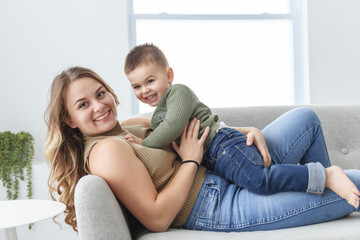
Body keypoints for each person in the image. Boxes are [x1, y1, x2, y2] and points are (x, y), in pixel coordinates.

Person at [45, 66, 360, 233]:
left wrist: (248, 130)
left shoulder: (131, 126)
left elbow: (195, 130)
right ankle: (325, 185)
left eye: (101, 94)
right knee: (356, 181)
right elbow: (156, 218)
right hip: (217, 205)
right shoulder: (106, 151)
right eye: (83, 105)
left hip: (231, 170)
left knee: (306, 119)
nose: (99, 106)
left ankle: (322, 198)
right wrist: (190, 162)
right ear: (69, 120)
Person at [123, 43, 360, 205]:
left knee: (260, 180)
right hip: (220, 154)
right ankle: (332, 195)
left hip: (222, 145)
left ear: (169, 75)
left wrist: (144, 143)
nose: (144, 90)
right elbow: (153, 124)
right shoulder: (158, 115)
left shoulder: (178, 93)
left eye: (150, 81)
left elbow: (173, 125)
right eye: (136, 86)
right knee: (261, 180)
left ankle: (327, 176)